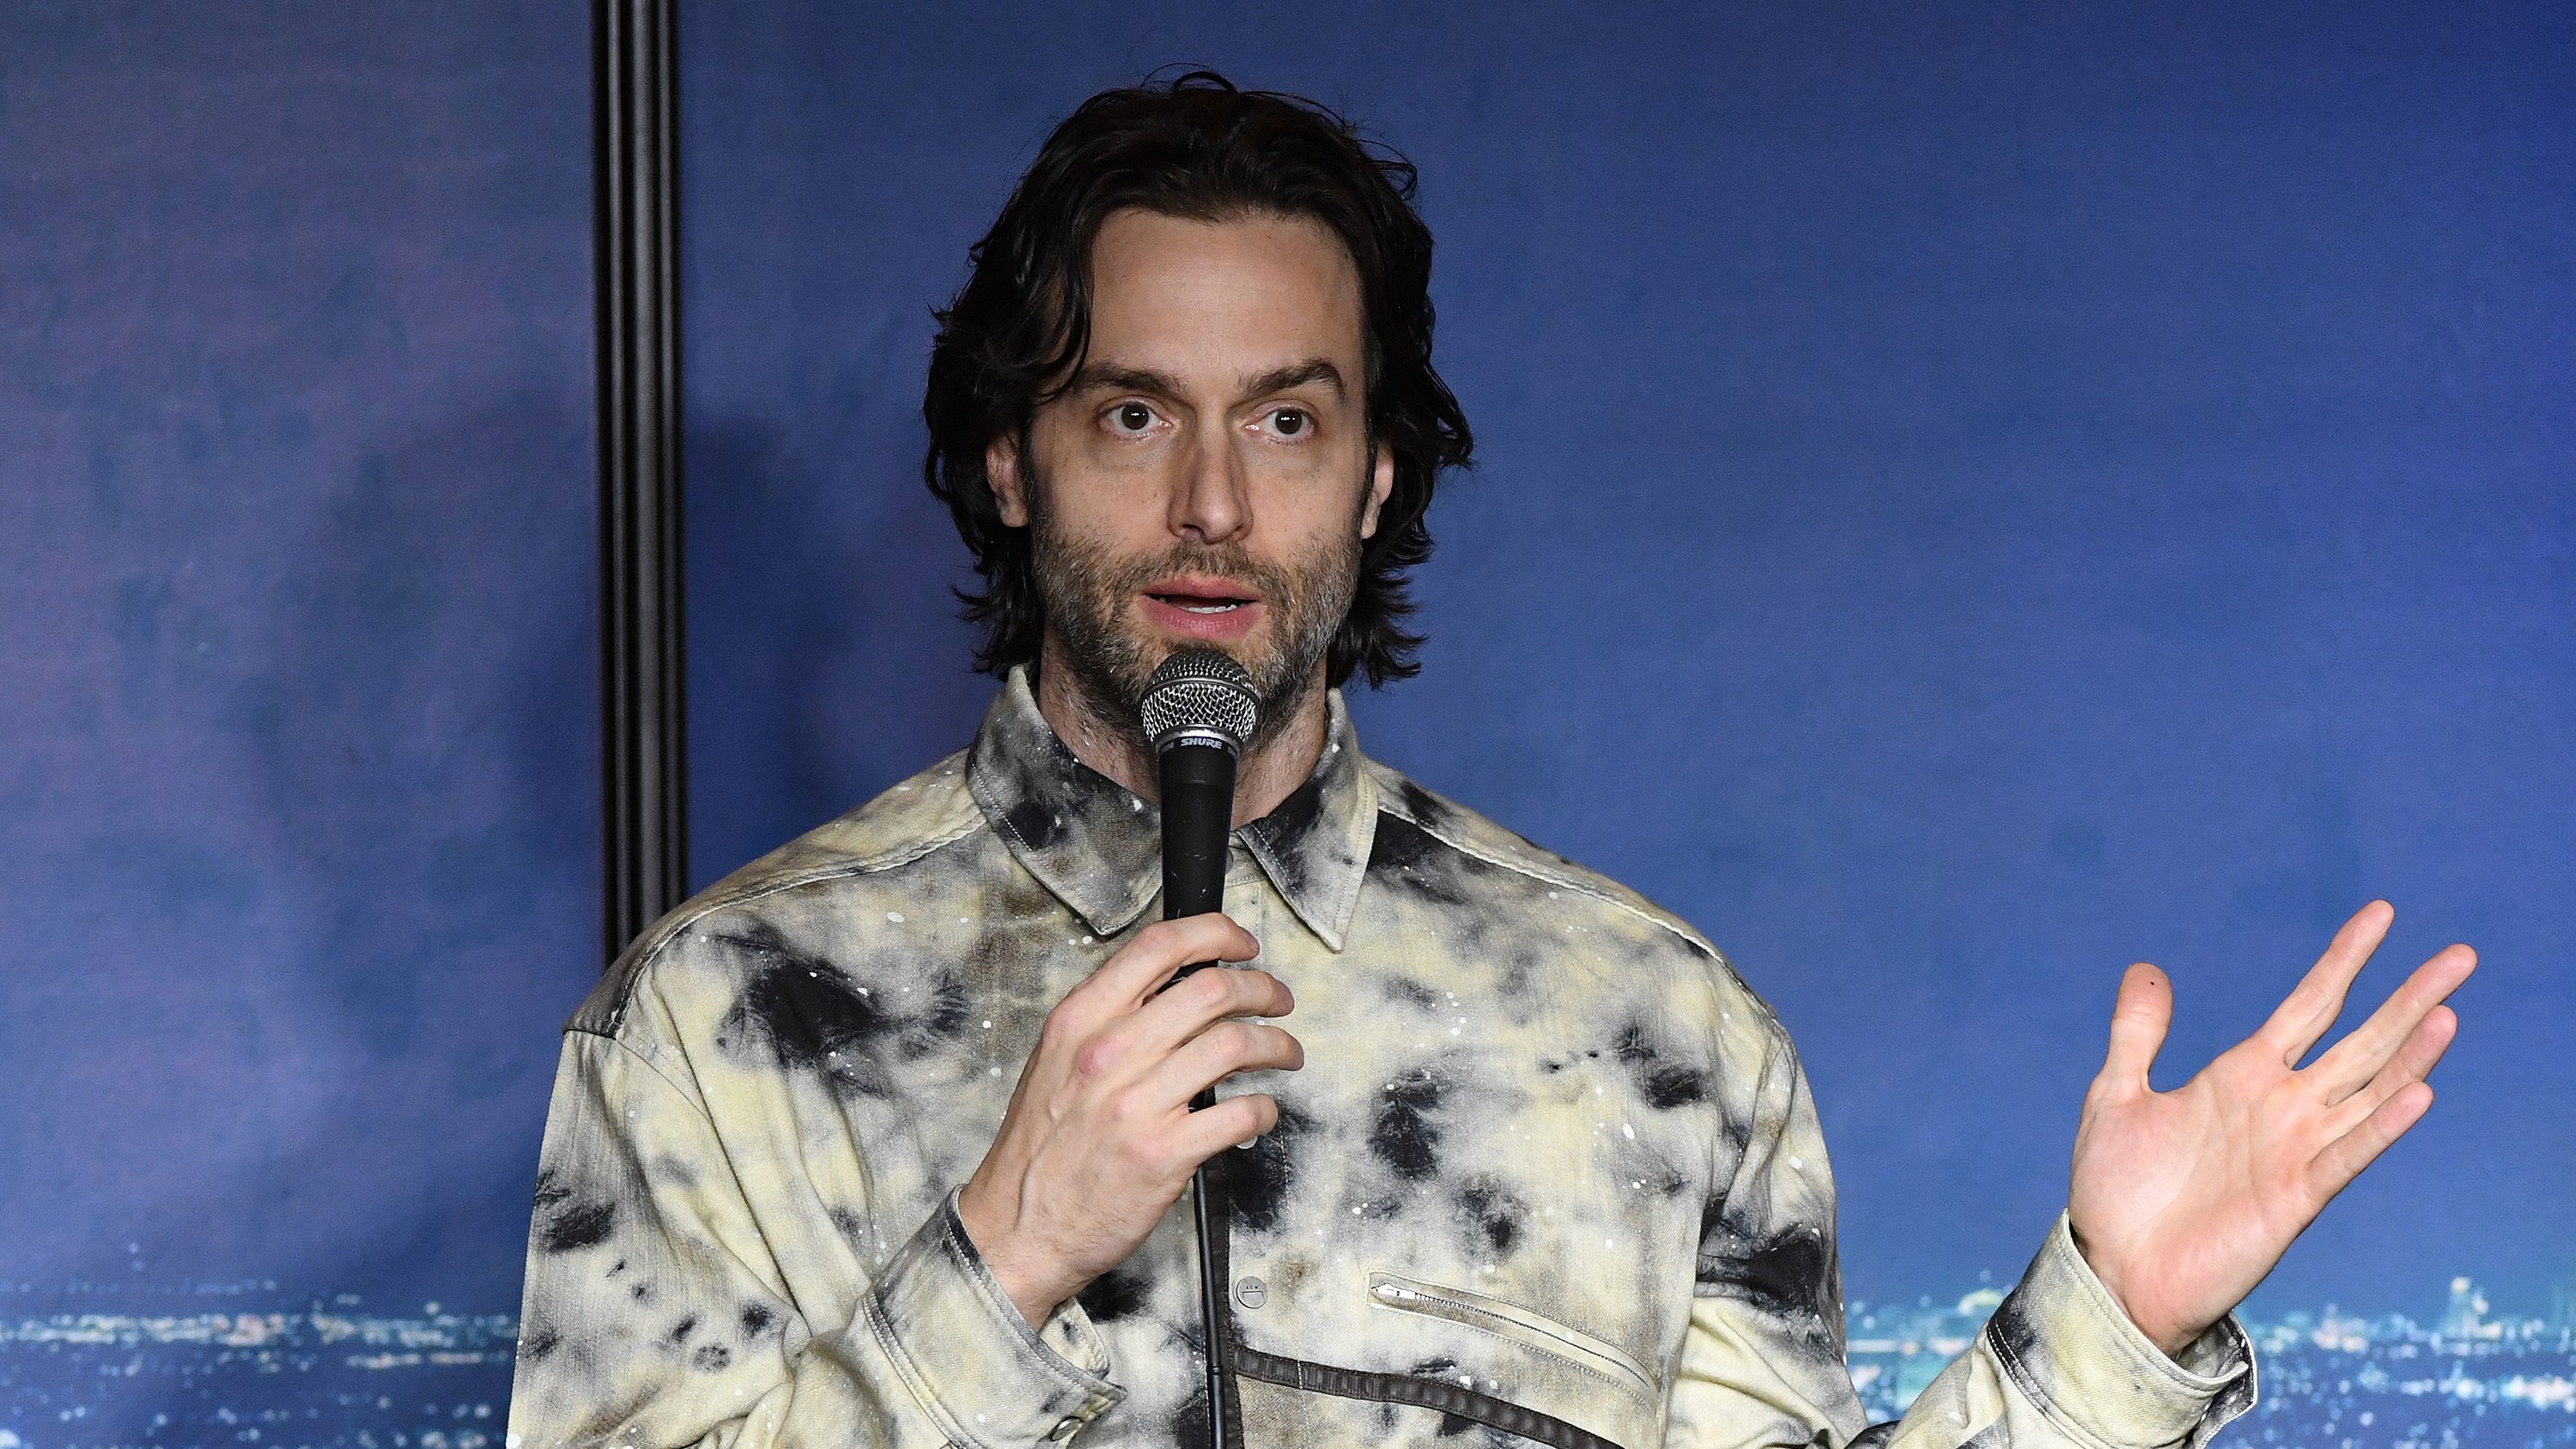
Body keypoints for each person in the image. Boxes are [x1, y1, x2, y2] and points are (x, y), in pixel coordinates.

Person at [506, 73, 2474, 1449]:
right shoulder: (720, 1026)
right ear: (1012, 459)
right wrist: (1004, 1247)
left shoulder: (1653, 1034)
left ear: (1377, 474)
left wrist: (2113, 1331)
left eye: (1288, 421)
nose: (1212, 506)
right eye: (1134, 414)